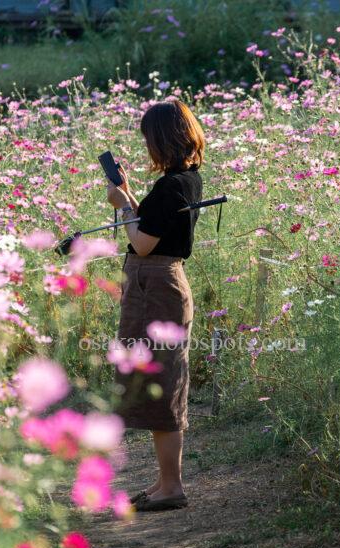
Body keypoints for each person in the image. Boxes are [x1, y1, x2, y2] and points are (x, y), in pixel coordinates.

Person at [105, 99, 205, 512]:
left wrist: (123, 206)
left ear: (162, 139)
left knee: (163, 386)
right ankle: (166, 481)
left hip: (157, 284)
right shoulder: (186, 180)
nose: (147, 146)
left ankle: (172, 487)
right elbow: (152, 228)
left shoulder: (171, 187)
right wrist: (128, 196)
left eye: (149, 138)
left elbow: (142, 242)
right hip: (161, 282)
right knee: (163, 382)